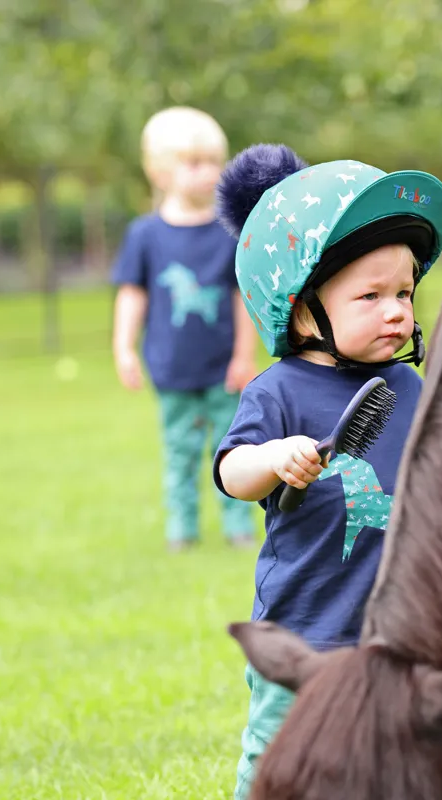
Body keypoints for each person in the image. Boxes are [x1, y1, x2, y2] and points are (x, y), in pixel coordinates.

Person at [212, 143, 442, 798]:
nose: (397, 311)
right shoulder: (277, 392)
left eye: (403, 292)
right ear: (300, 309)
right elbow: (232, 472)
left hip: (400, 630)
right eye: (370, 296)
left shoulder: (409, 387)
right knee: (281, 759)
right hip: (303, 632)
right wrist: (272, 458)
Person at [111, 106, 258, 552]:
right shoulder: (145, 235)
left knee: (233, 448)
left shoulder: (230, 233)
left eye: (215, 161)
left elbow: (241, 298)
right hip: (171, 369)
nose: (208, 172)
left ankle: (239, 525)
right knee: (179, 451)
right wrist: (124, 348)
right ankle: (183, 529)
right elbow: (132, 294)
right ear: (159, 172)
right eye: (194, 163)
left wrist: (244, 357)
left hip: (223, 370)